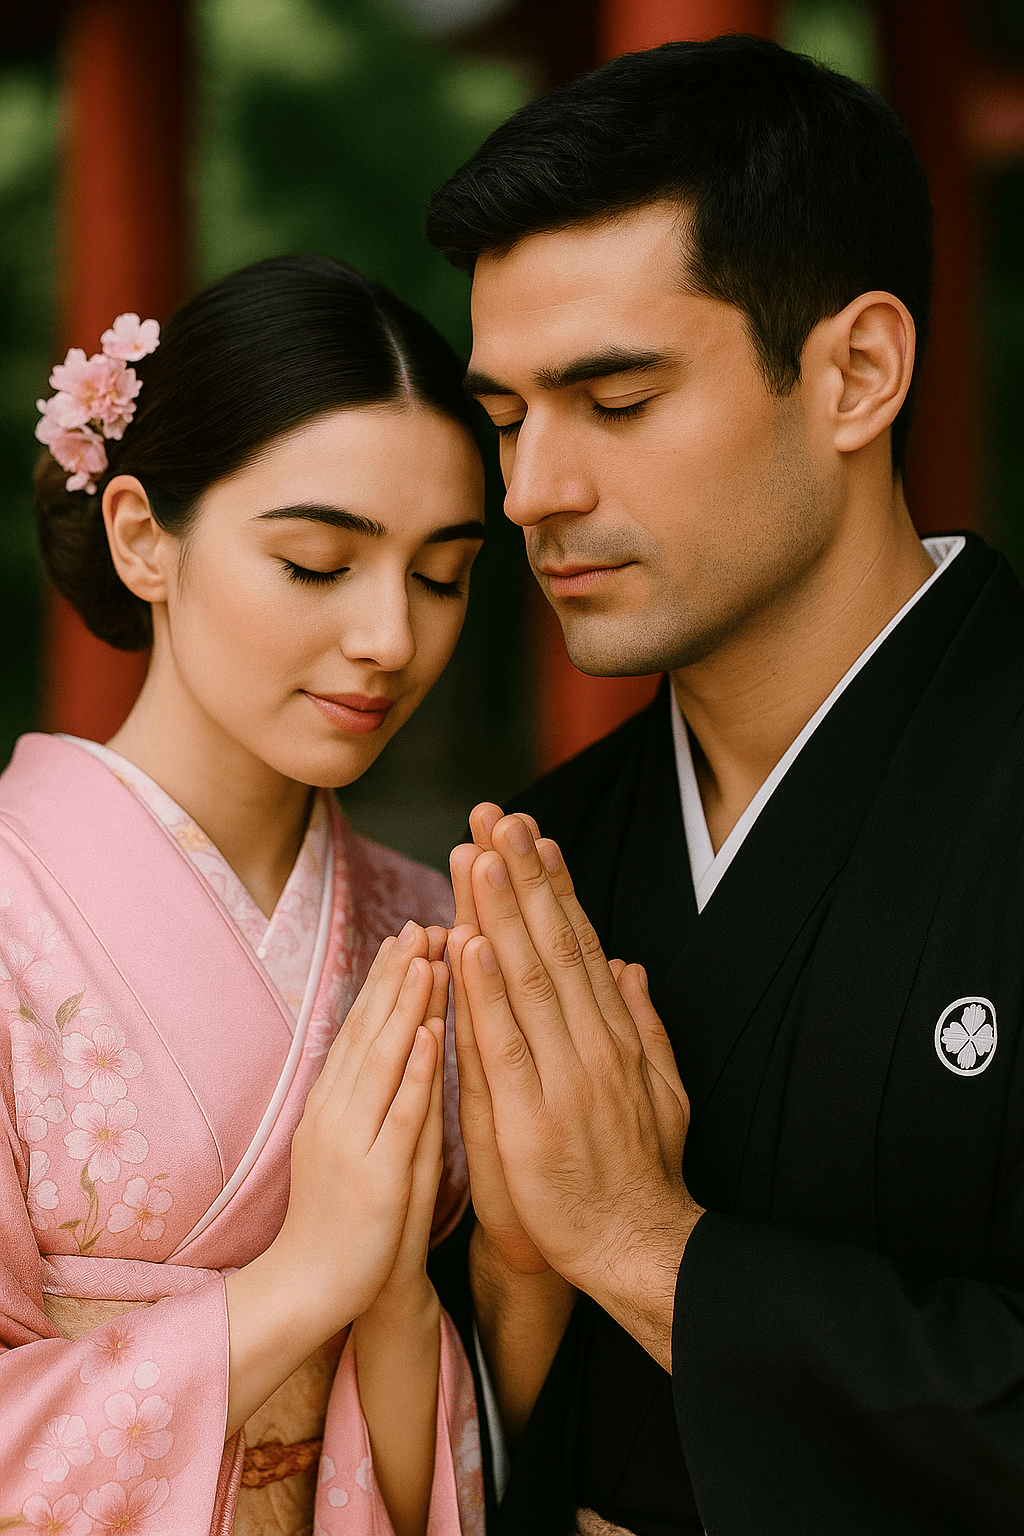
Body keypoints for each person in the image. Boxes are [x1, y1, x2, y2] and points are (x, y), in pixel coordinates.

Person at [425, 34, 1024, 1536]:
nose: (532, 493)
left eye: (614, 402)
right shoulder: (548, 855)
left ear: (855, 374)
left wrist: (644, 1248)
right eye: (506, 421)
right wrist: (508, 1277)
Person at [1, 254, 486, 1536]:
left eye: (442, 576)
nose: (391, 635)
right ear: (143, 536)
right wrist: (304, 1283)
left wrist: (394, 1305)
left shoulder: (426, 926)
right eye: (320, 563)